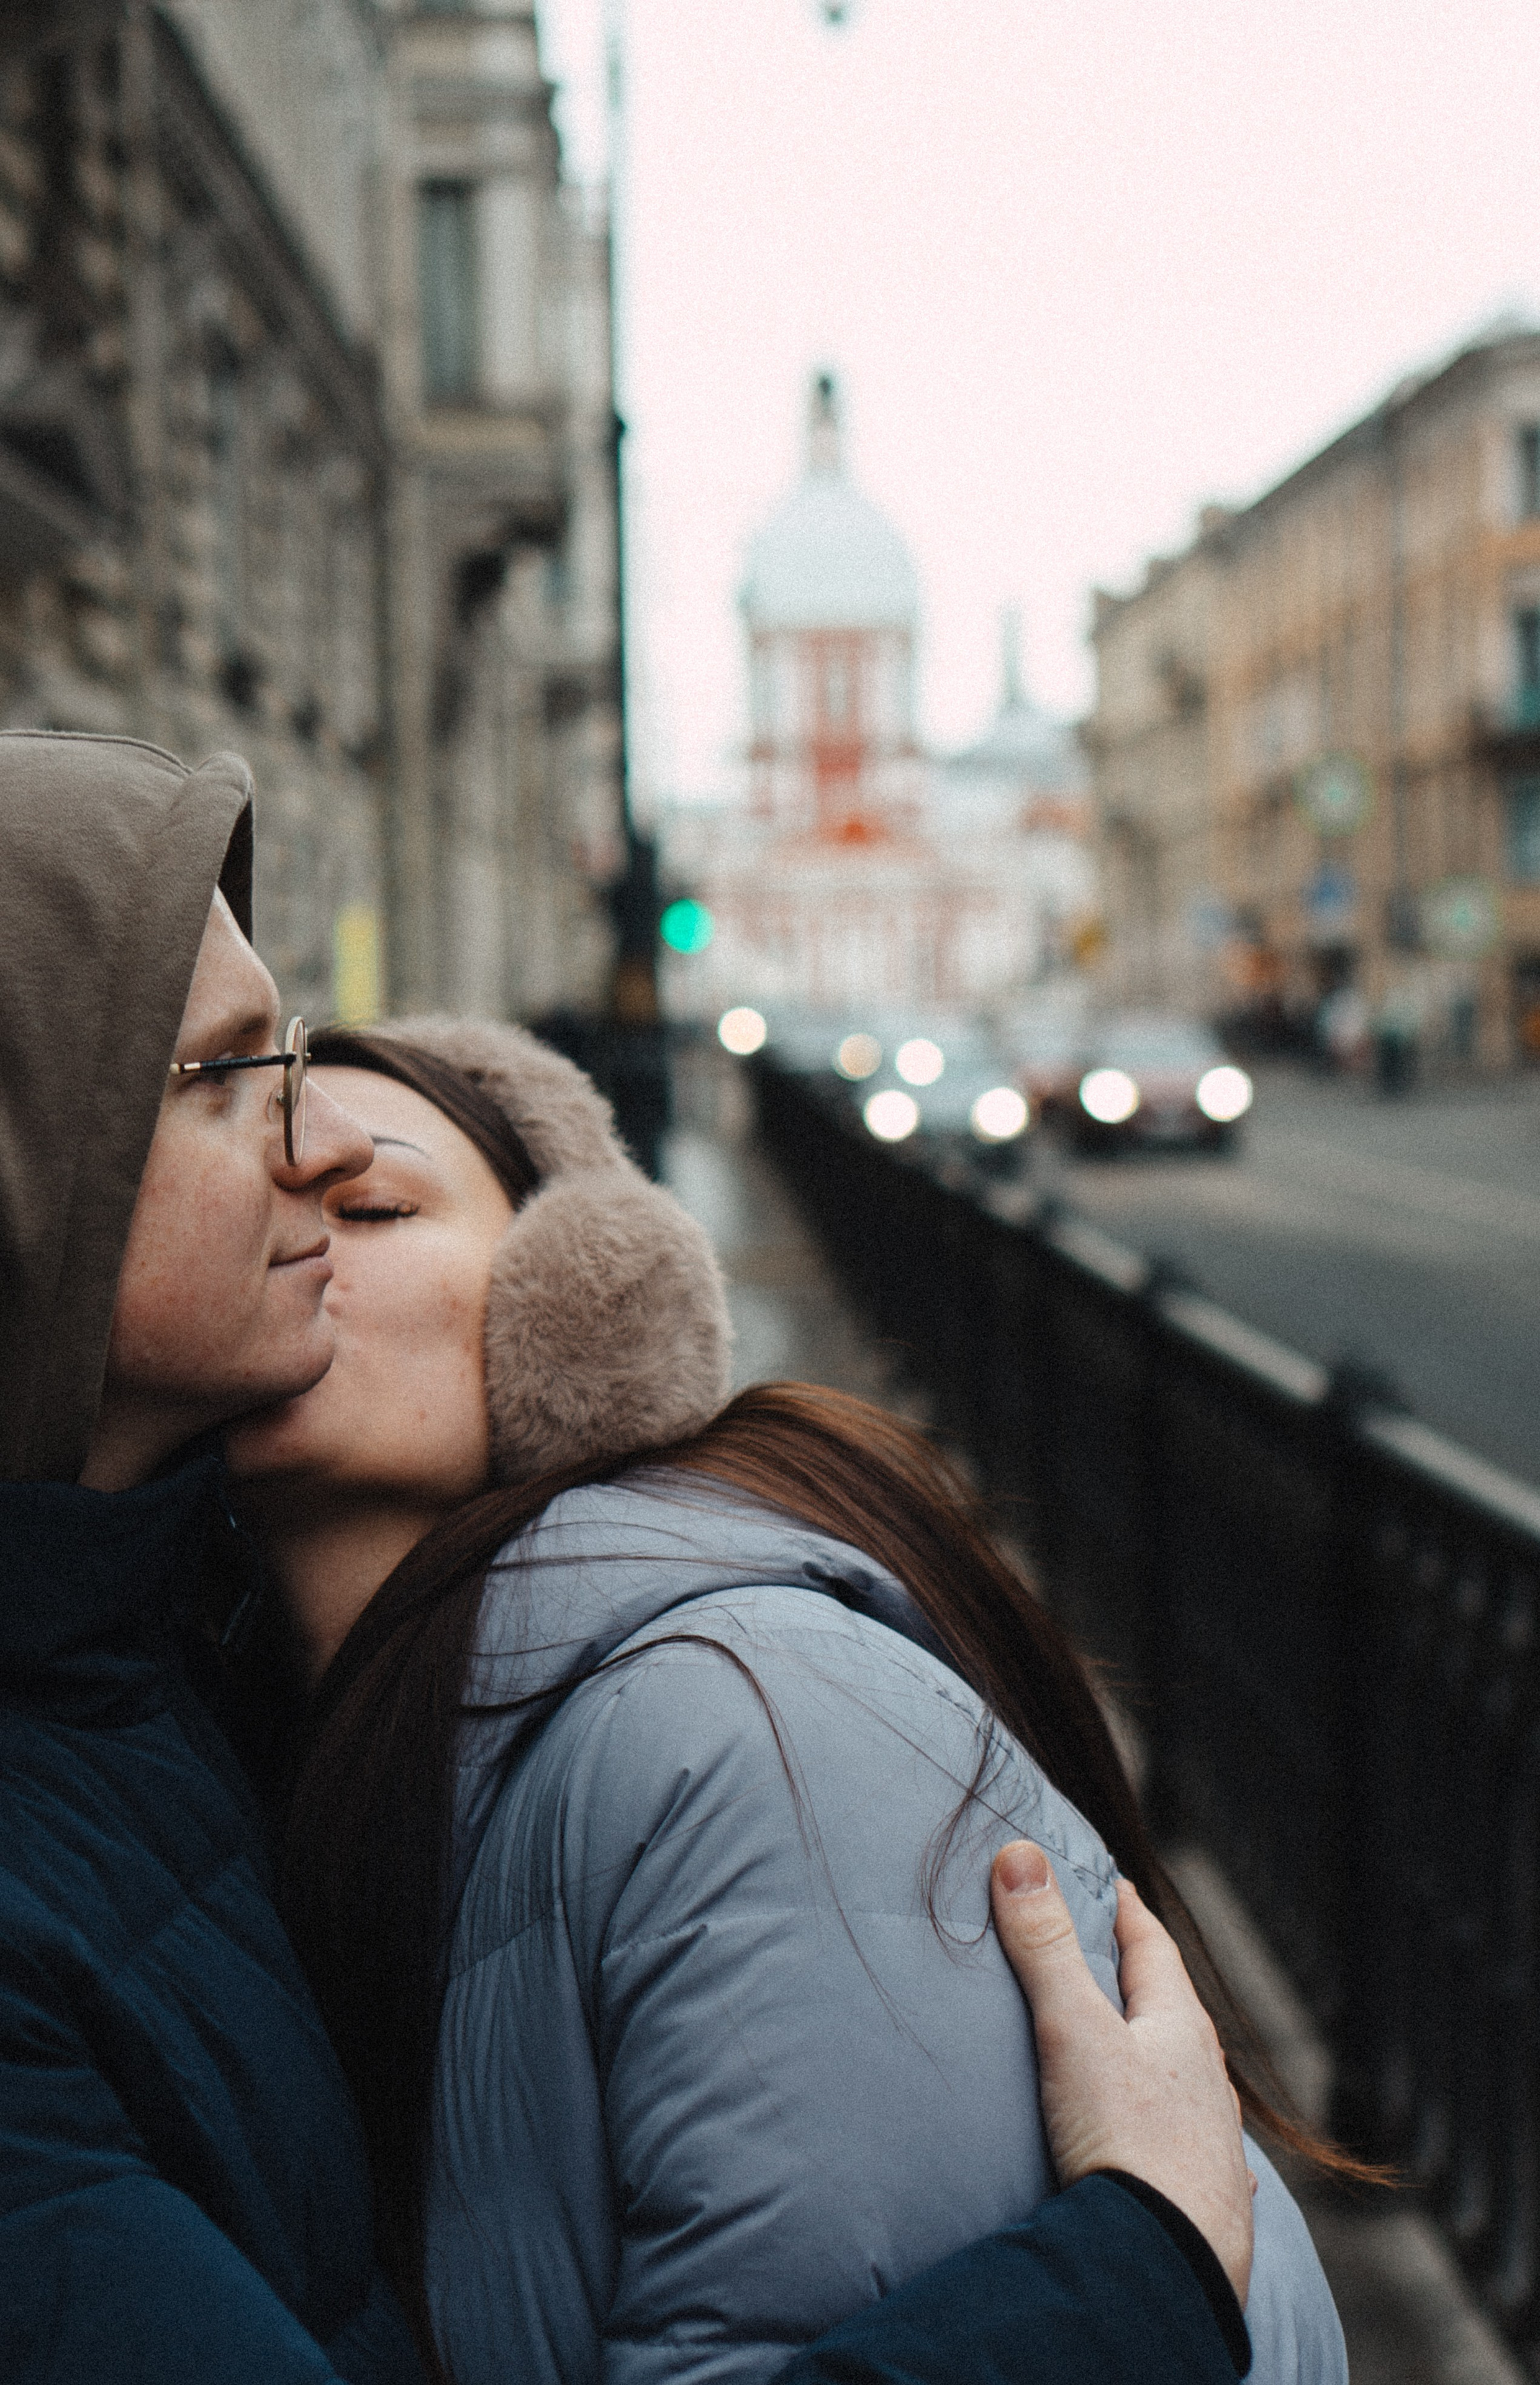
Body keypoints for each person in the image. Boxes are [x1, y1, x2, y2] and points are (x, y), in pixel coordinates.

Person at [0, 729, 1255, 2385]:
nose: (309, 1157)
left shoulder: (693, 1711)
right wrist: (1133, 2276)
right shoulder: (219, 1691)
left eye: (384, 1203)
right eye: (230, 1075)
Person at [229, 1017, 1356, 2385]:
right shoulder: (270, 1748)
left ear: (577, 1309)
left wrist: (1132, 2263)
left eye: (372, 1205)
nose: (293, 1241)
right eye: (252, 1189)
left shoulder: (744, 1732)